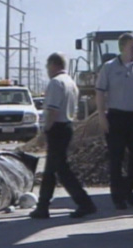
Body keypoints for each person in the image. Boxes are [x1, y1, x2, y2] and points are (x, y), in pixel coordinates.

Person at [30, 53, 97, 219]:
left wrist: (46, 130)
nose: (47, 70)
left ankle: (83, 203)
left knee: (57, 170)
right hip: (66, 126)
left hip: (57, 128)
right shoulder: (71, 83)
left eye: (47, 67)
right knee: (55, 169)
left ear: (53, 65)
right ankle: (44, 205)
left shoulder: (56, 83)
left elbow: (53, 110)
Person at [95, 33, 133, 210]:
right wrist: (102, 116)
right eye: (132, 46)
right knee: (116, 159)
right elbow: (100, 93)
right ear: (123, 47)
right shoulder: (109, 67)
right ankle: (118, 197)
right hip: (116, 117)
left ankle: (128, 189)